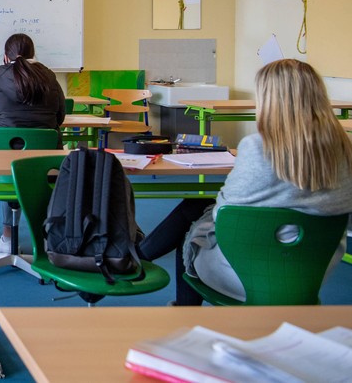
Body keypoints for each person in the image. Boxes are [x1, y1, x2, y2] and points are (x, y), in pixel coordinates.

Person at [138, 59, 352, 305]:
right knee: (195, 208)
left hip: (246, 273)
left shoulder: (258, 147)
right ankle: (134, 259)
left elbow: (223, 214)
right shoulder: (345, 149)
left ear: (270, 100)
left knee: (192, 228)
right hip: (310, 273)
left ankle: (153, 281)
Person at [0, 33, 66, 253]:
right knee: (14, 160)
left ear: (5, 57)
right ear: (33, 55)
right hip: (44, 169)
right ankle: (13, 236)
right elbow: (59, 118)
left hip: (2, 169)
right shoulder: (49, 77)